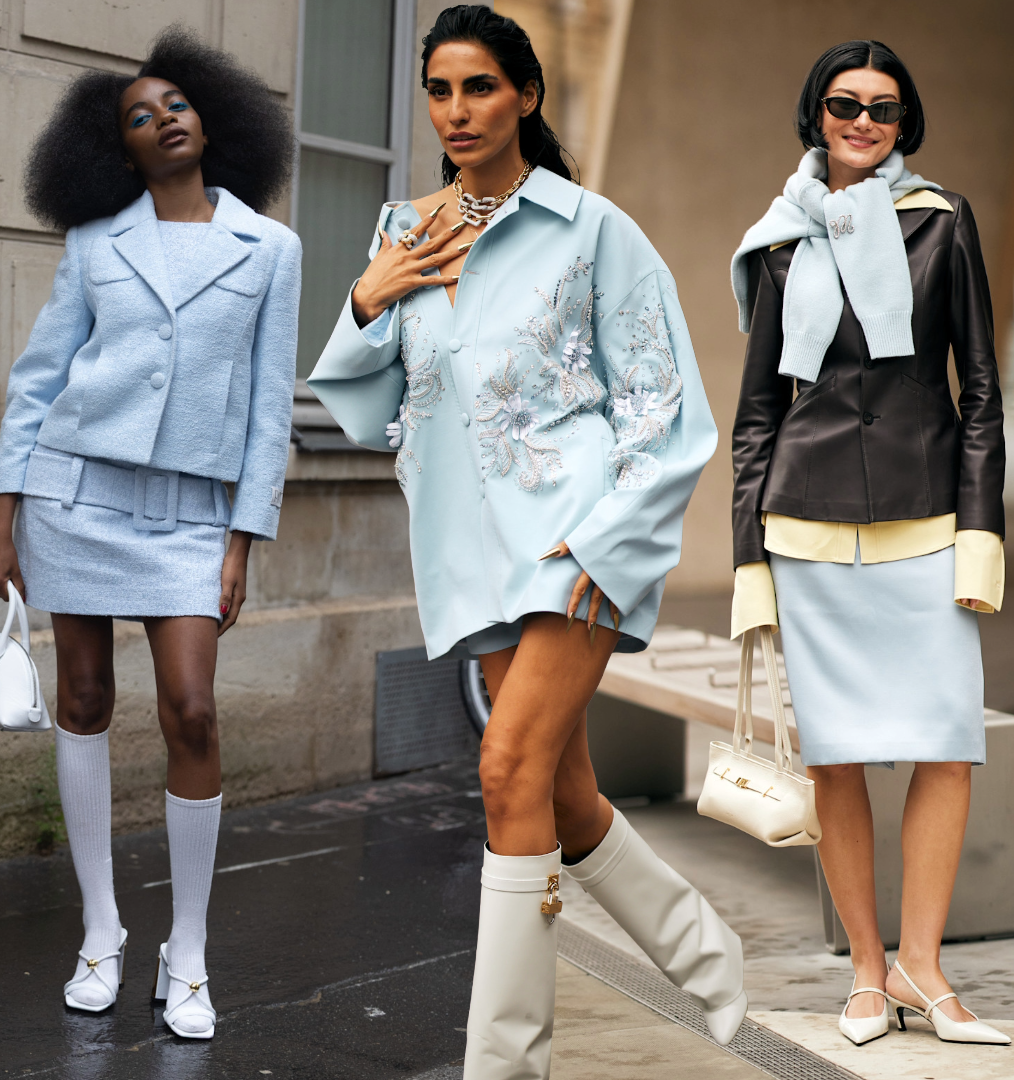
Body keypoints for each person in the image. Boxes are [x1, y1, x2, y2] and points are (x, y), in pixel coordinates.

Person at [306, 7, 738, 1077]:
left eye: (481, 88)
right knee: (556, 790)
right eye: (441, 91)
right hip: (469, 555)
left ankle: (504, 1064)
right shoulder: (403, 231)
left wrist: (610, 544)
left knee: (503, 768)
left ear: (526, 97)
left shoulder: (594, 231)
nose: (458, 111)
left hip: (573, 543)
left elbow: (662, 408)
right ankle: (709, 958)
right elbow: (367, 412)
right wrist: (368, 298)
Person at [0, 29, 300, 1040]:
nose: (164, 119)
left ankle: (188, 948)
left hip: (193, 519)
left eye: (177, 104)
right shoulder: (93, 244)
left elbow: (267, 413)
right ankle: (102, 931)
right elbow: (38, 384)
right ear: (118, 150)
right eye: (139, 115)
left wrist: (244, 539)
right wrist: (2, 520)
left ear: (212, 119)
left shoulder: (271, 249)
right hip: (75, 496)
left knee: (193, 710)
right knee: (81, 698)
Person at [728, 39, 1007, 1049]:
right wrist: (748, 562)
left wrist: (983, 534)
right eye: (844, 105)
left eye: (883, 110)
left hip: (929, 520)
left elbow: (979, 390)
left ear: (905, 125)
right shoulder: (778, 239)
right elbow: (757, 413)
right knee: (837, 760)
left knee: (946, 745)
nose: (862, 122)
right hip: (804, 529)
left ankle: (924, 966)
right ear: (815, 114)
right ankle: (864, 972)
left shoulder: (942, 221)